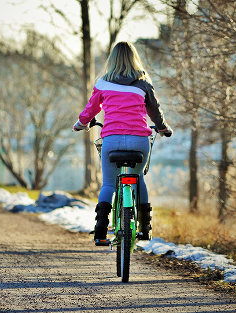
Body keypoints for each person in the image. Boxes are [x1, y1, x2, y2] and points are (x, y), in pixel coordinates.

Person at [73, 41, 173, 245]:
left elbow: (90, 110)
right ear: (133, 58)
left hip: (112, 139)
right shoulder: (143, 83)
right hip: (139, 141)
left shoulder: (102, 83)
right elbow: (155, 112)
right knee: (139, 180)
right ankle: (145, 228)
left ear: (112, 59)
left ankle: (100, 230)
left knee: (109, 183)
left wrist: (80, 124)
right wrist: (163, 128)